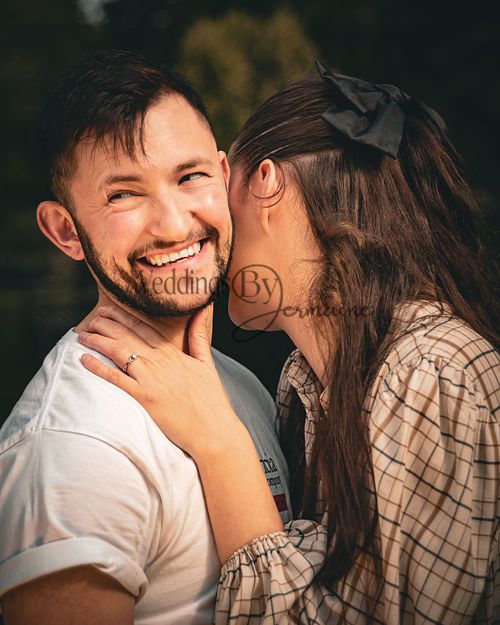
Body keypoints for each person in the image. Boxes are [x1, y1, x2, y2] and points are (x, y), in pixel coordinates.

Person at [76, 62, 500, 624]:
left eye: (211, 185)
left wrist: (219, 443)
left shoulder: (427, 370)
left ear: (266, 183)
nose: (192, 228)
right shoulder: (307, 381)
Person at [0, 50, 292, 625]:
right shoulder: (70, 446)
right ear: (66, 231)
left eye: (190, 177)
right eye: (123, 195)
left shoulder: (241, 385)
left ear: (226, 175)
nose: (176, 224)